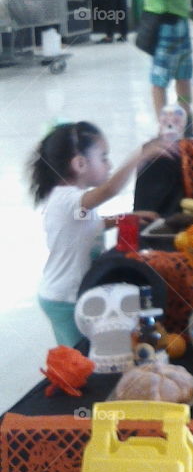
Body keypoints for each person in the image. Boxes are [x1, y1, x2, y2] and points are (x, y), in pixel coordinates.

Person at [28, 122, 161, 347]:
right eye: (103, 157)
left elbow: (90, 225)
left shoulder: (73, 199)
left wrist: (126, 217)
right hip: (65, 298)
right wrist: (140, 155)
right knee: (78, 357)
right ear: (80, 164)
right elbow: (110, 190)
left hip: (67, 293)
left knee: (83, 354)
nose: (109, 165)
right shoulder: (66, 199)